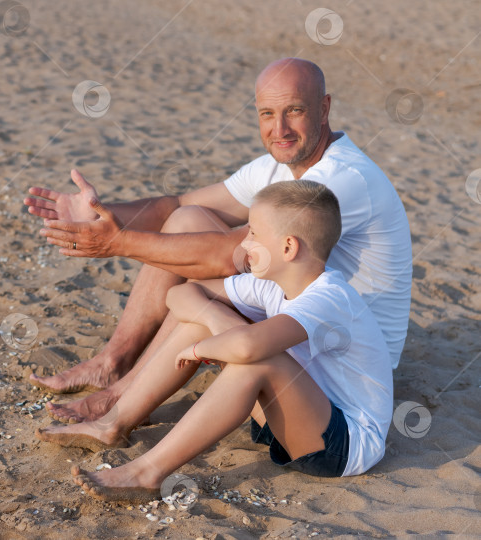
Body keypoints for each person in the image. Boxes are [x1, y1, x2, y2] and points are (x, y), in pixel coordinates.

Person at [24, 57, 411, 425]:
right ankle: (113, 363)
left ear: (323, 109)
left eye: (294, 111)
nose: (279, 129)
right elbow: (178, 205)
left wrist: (117, 243)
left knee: (209, 281)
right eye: (267, 114)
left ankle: (120, 395)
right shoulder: (279, 165)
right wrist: (100, 213)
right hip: (305, 320)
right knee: (186, 220)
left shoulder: (341, 178)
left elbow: (231, 255)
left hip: (344, 359)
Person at [36, 180, 394, 501]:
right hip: (295, 417)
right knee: (206, 320)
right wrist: (213, 320)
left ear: (288, 247)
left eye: (254, 234)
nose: (244, 243)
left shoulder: (329, 298)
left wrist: (199, 350)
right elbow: (180, 294)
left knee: (255, 361)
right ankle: (114, 423)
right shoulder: (271, 284)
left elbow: (247, 348)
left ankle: (148, 472)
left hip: (343, 444)